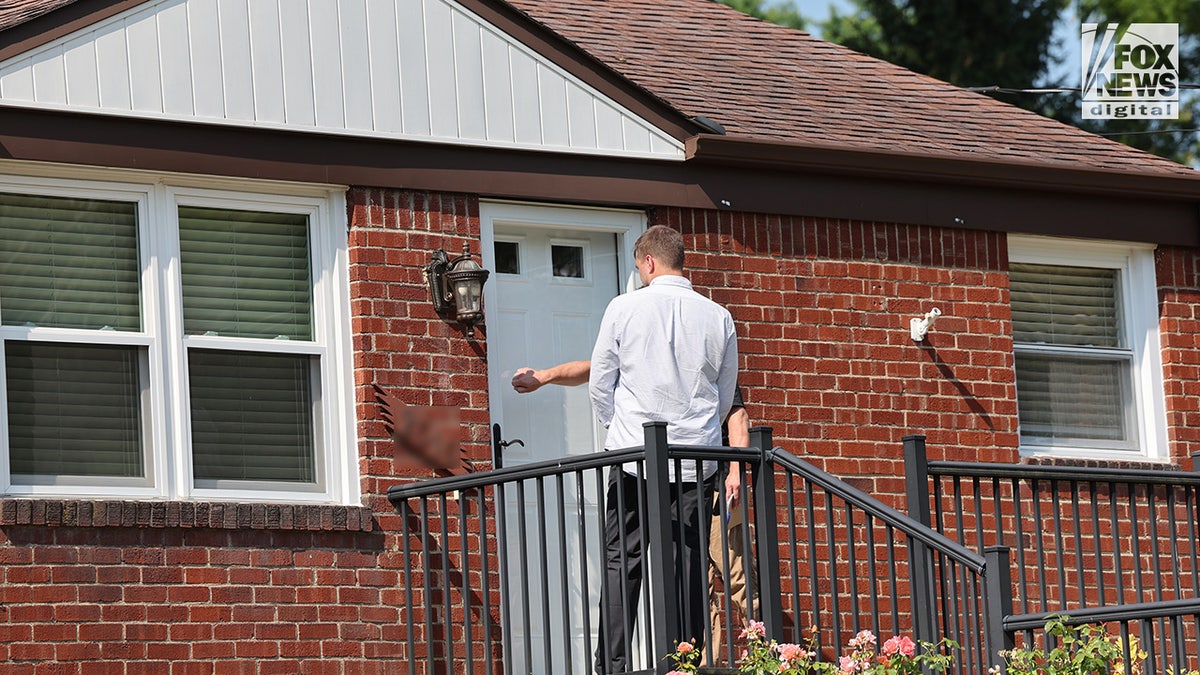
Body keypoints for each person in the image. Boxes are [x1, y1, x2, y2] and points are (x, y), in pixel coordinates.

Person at [513, 365, 754, 666]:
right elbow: (596, 366)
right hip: (655, 477)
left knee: (736, 577)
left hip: (712, 487)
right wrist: (545, 376)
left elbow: (738, 415)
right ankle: (695, 663)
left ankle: (768, 657)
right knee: (696, 585)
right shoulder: (645, 347)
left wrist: (735, 471)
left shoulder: (702, 351)